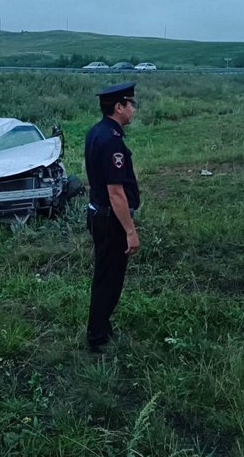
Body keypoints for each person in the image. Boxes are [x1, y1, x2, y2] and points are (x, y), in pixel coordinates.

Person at [84, 81, 141, 352]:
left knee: (104, 274)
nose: (133, 109)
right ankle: (97, 337)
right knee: (110, 278)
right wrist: (130, 230)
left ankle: (101, 326)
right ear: (119, 107)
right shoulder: (112, 141)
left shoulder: (98, 132)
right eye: (131, 104)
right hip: (110, 219)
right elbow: (116, 192)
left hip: (99, 215)